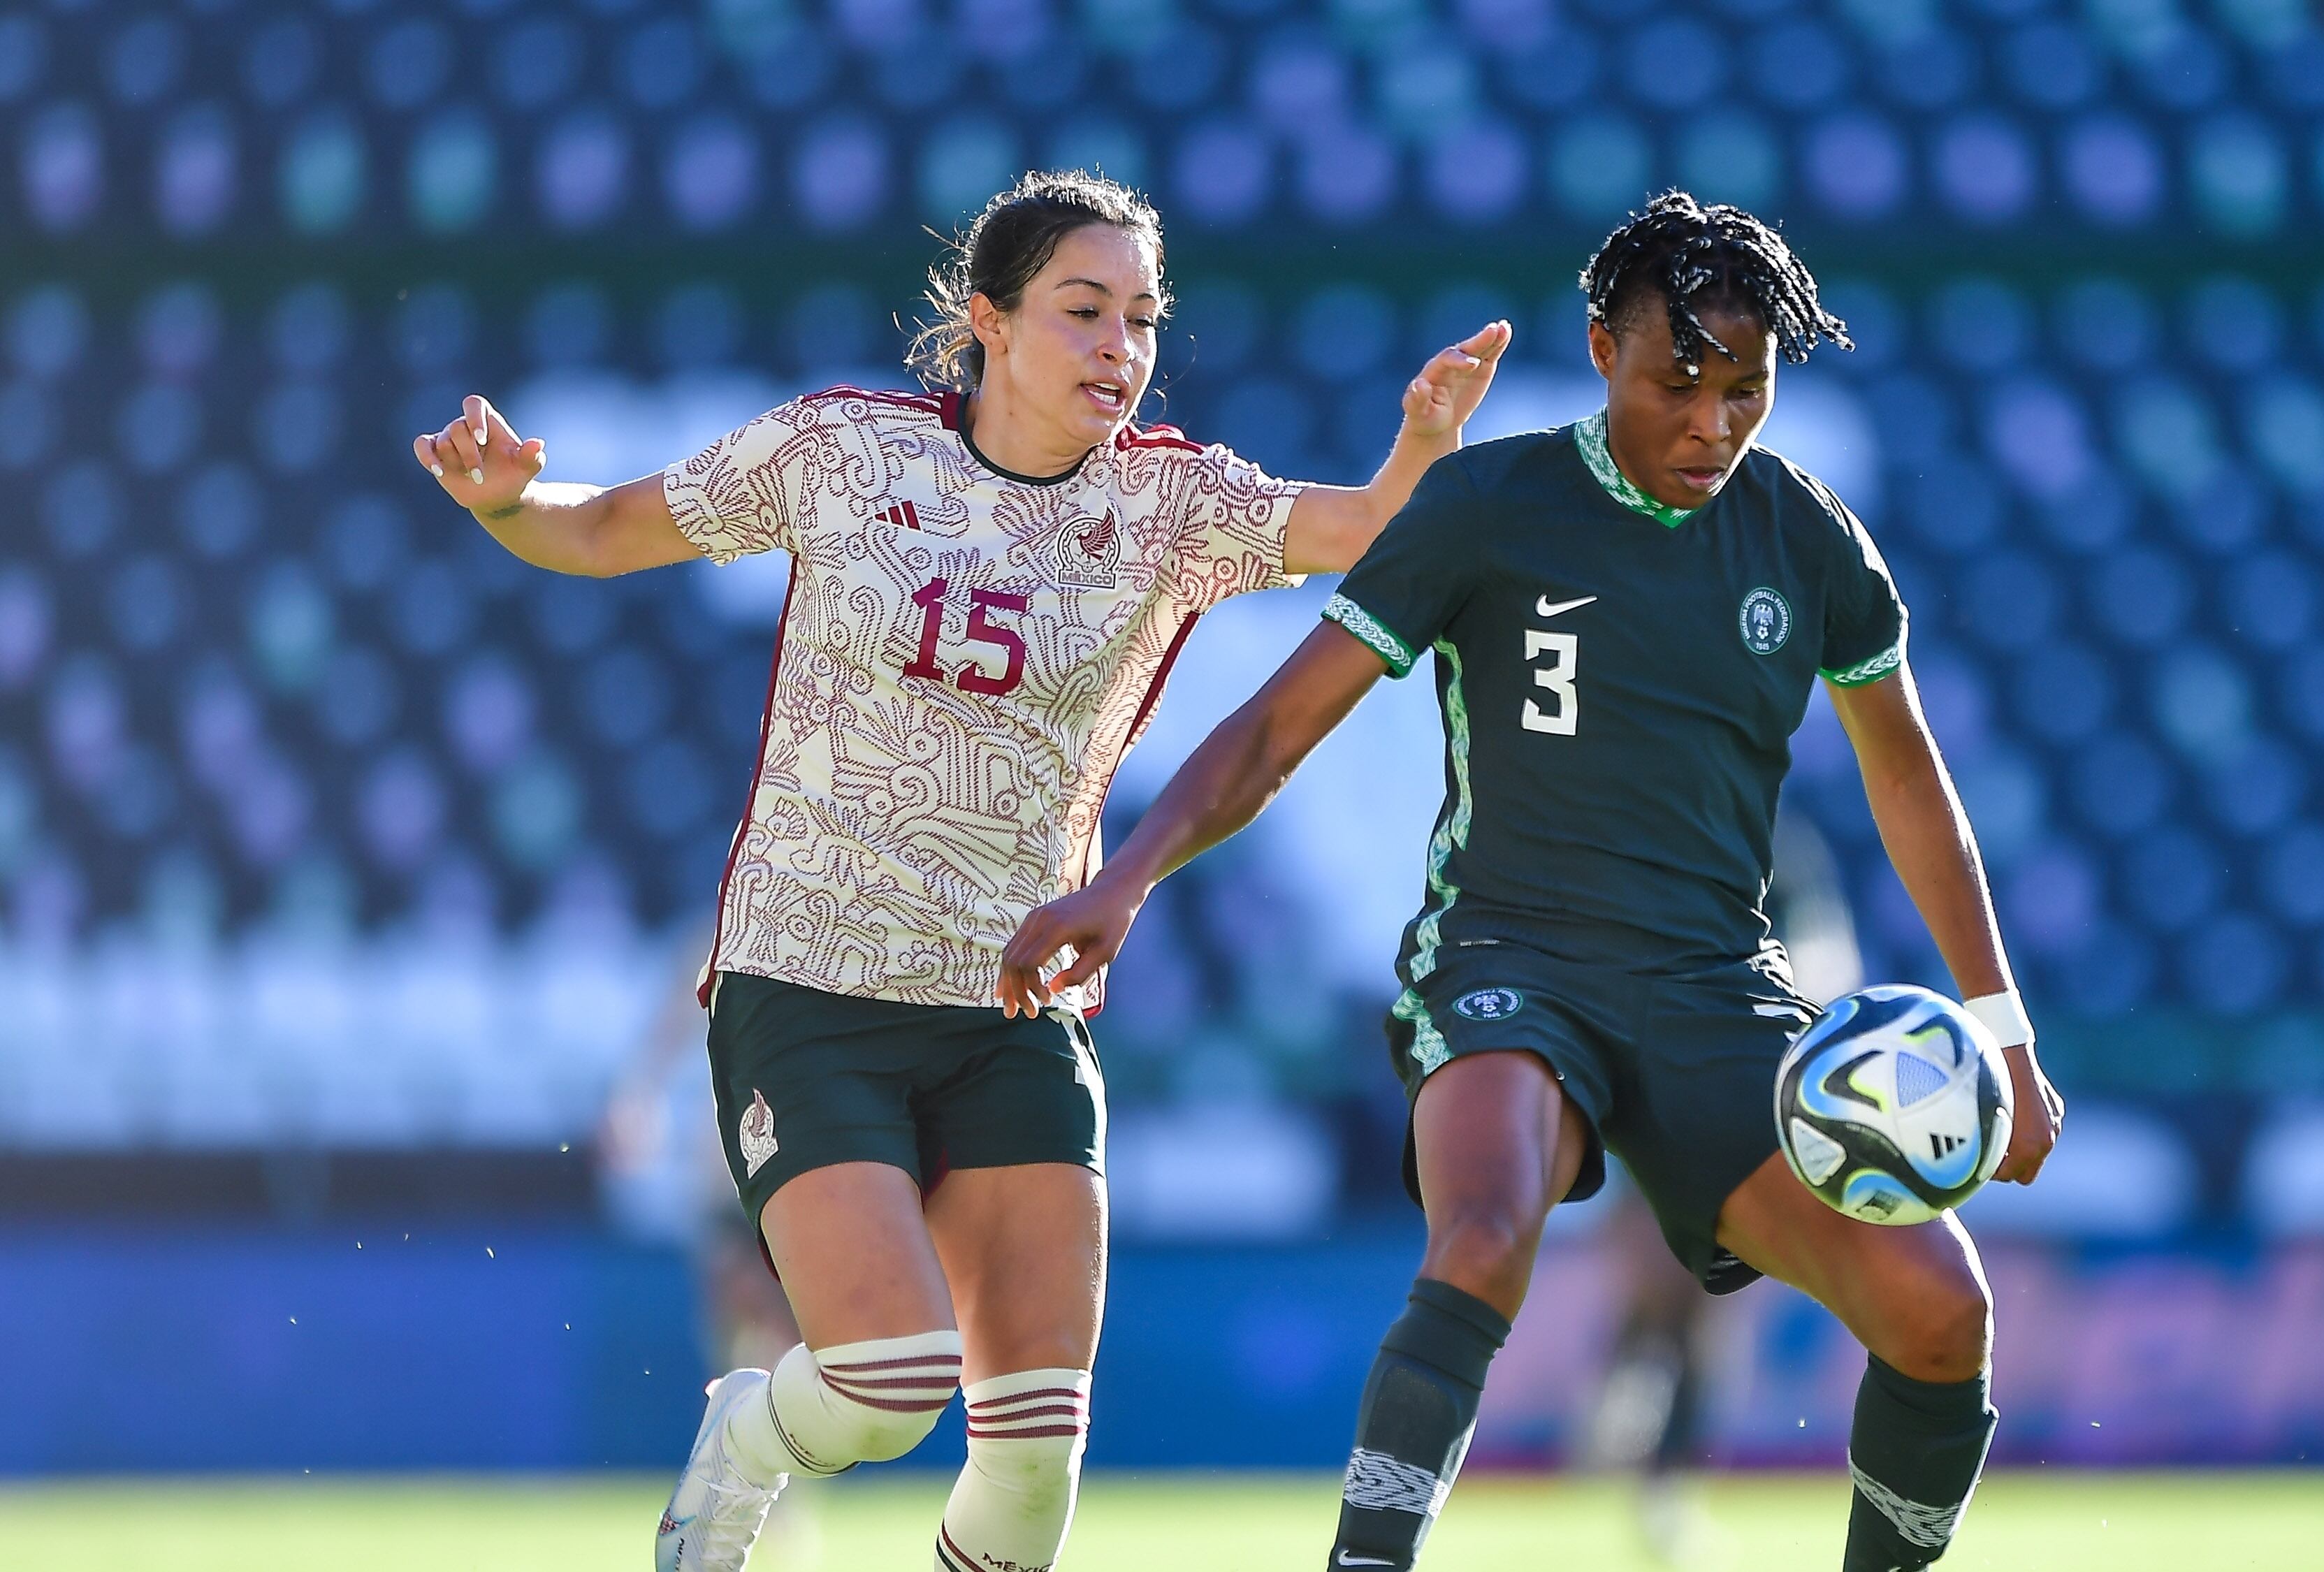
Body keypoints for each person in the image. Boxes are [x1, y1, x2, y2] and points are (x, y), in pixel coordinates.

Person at [410, 169, 1508, 1572]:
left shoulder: (1172, 503)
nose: (1120, 346)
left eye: (1141, 319)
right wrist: (511, 504)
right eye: (1083, 311)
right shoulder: (843, 456)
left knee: (1036, 1454)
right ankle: (743, 1441)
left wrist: (1419, 443)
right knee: (885, 1384)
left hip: (1012, 1006)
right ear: (986, 320)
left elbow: (1373, 534)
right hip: (809, 987)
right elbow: (608, 529)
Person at [998, 191, 2062, 1572]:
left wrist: (2003, 1027)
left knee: (1939, 1314)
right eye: (1678, 380)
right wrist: (1125, 880)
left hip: (1711, 992)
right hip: (1507, 958)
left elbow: (1909, 783)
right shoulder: (1490, 505)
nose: (1712, 422)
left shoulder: (1804, 538)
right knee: (1485, 1236)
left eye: (1748, 388)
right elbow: (1273, 725)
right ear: (1602, 346)